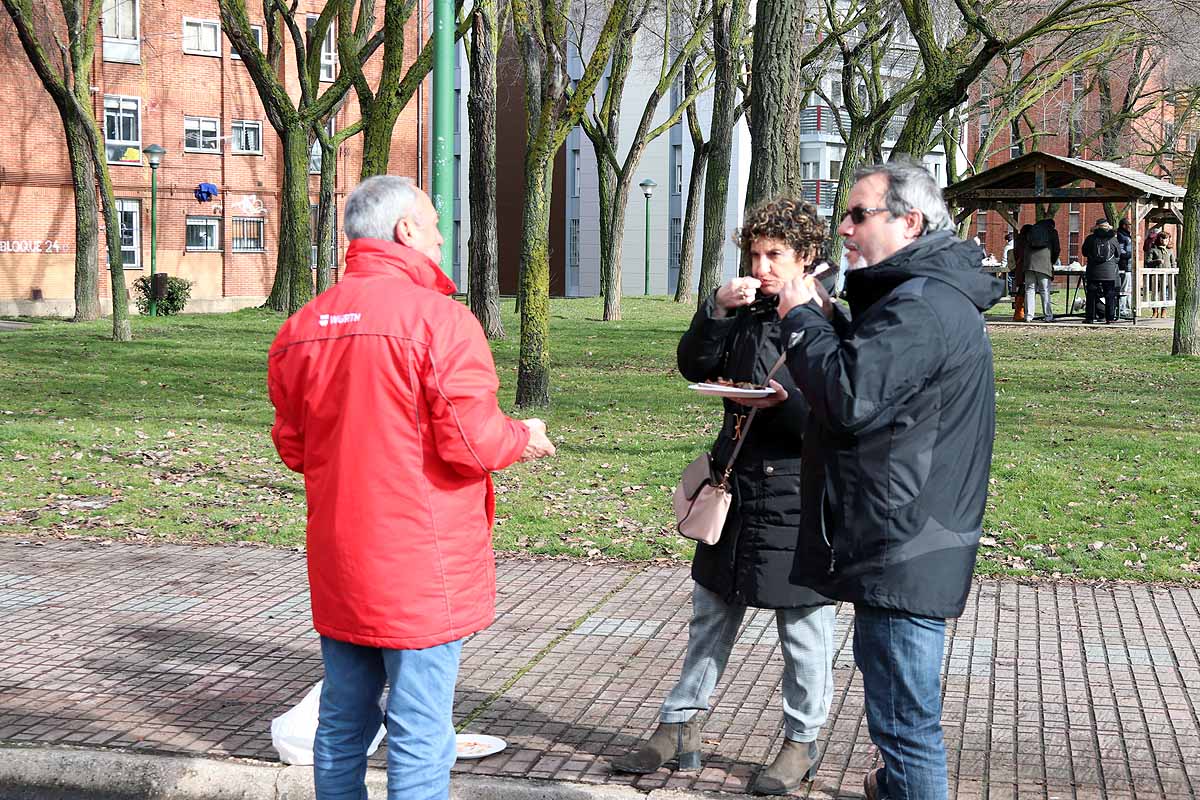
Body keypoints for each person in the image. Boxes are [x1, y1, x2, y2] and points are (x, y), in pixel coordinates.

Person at [267, 176, 556, 800]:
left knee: (343, 721)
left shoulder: (302, 327)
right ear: (405, 232)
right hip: (421, 564)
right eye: (432, 224)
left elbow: (295, 447)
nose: (439, 237)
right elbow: (471, 442)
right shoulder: (441, 322)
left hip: (341, 556)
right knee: (421, 728)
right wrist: (521, 436)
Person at [772, 160, 1004, 800]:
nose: (842, 226)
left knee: (906, 730)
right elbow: (883, 386)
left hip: (906, 544)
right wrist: (829, 320)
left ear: (908, 222)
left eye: (857, 214)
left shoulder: (923, 305)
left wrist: (801, 320)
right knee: (901, 734)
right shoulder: (915, 298)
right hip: (903, 535)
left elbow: (849, 396)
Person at [613, 198, 836, 796]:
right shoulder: (743, 310)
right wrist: (713, 310)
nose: (760, 266)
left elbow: (842, 407)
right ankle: (681, 725)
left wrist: (786, 406)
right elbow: (694, 362)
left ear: (806, 258)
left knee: (803, 625)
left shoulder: (831, 316)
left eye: (774, 255)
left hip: (798, 488)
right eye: (754, 253)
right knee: (711, 611)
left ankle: (802, 740)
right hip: (735, 481)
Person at [1082, 219, 1121, 324]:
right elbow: (1118, 253)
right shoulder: (1113, 239)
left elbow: (1084, 252)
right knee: (1110, 295)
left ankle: (1089, 318)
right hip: (1109, 272)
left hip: (1093, 271)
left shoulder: (1090, 238)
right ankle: (1110, 318)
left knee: (1091, 295)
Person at [1024, 218, 1059, 322]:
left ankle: (1029, 316)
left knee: (1029, 289)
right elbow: (1057, 248)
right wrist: (1052, 261)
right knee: (1044, 290)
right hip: (1044, 263)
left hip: (1029, 263)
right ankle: (1048, 316)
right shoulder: (1052, 231)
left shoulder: (1031, 230)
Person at [1146, 230, 1176, 319]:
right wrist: (1156, 261)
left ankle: (1164, 311)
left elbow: (1173, 262)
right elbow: (1148, 261)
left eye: (1166, 240)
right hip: (1156, 276)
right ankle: (1155, 311)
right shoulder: (1153, 249)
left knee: (1165, 294)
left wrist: (1173, 271)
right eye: (1162, 239)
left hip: (1167, 277)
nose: (1164, 242)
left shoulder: (1170, 251)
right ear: (1159, 239)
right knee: (1155, 294)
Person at [1116, 219, 1133, 318]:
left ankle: (1129, 308)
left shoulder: (1127, 235)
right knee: (1124, 288)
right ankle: (1122, 309)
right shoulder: (1121, 236)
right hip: (1124, 266)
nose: (1130, 226)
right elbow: (1121, 250)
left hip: (1130, 266)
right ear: (1124, 225)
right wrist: (1130, 254)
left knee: (1129, 289)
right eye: (1129, 224)